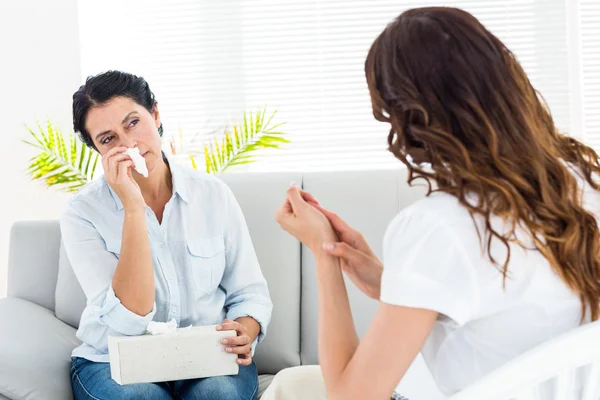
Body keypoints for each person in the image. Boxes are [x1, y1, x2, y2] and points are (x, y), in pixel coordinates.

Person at [266, 6, 600, 400]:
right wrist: (387, 280)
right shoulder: (585, 181)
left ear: (408, 117)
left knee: (289, 387)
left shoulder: (438, 225)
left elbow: (351, 397)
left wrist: (323, 256)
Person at [61, 70, 272, 400]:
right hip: (113, 359)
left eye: (133, 122)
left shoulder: (212, 195)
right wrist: (133, 208)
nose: (128, 143)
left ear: (155, 114)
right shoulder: (82, 213)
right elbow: (130, 317)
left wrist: (244, 331)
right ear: (97, 152)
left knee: (217, 393)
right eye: (108, 139)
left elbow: (249, 294)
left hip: (206, 357)